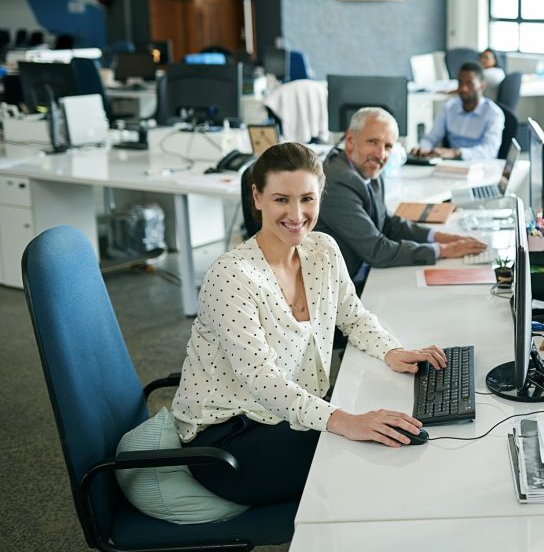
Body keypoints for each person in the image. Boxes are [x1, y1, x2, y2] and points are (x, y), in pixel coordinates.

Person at [172, 142, 448, 507]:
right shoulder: (231, 275)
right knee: (370, 460)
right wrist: (344, 420)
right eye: (281, 199)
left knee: (395, 424)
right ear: (257, 198)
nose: (296, 214)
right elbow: (262, 379)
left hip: (290, 415)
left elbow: (353, 315)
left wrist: (392, 350)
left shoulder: (322, 249)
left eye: (307, 199)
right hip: (230, 439)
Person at [316, 107, 487, 287]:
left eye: (388, 146)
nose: (381, 154)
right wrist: (444, 250)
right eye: (373, 142)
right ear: (350, 140)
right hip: (337, 290)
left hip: (361, 275)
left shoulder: (366, 170)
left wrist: (438, 236)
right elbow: (377, 251)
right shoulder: (337, 181)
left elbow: (387, 223)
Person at [411, 62, 504, 160]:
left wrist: (456, 153)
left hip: (480, 166)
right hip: (451, 165)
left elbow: (489, 151)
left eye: (469, 83)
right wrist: (423, 148)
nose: (463, 88)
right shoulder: (449, 107)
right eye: (460, 83)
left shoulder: (494, 113)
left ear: (482, 86)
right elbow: (431, 137)